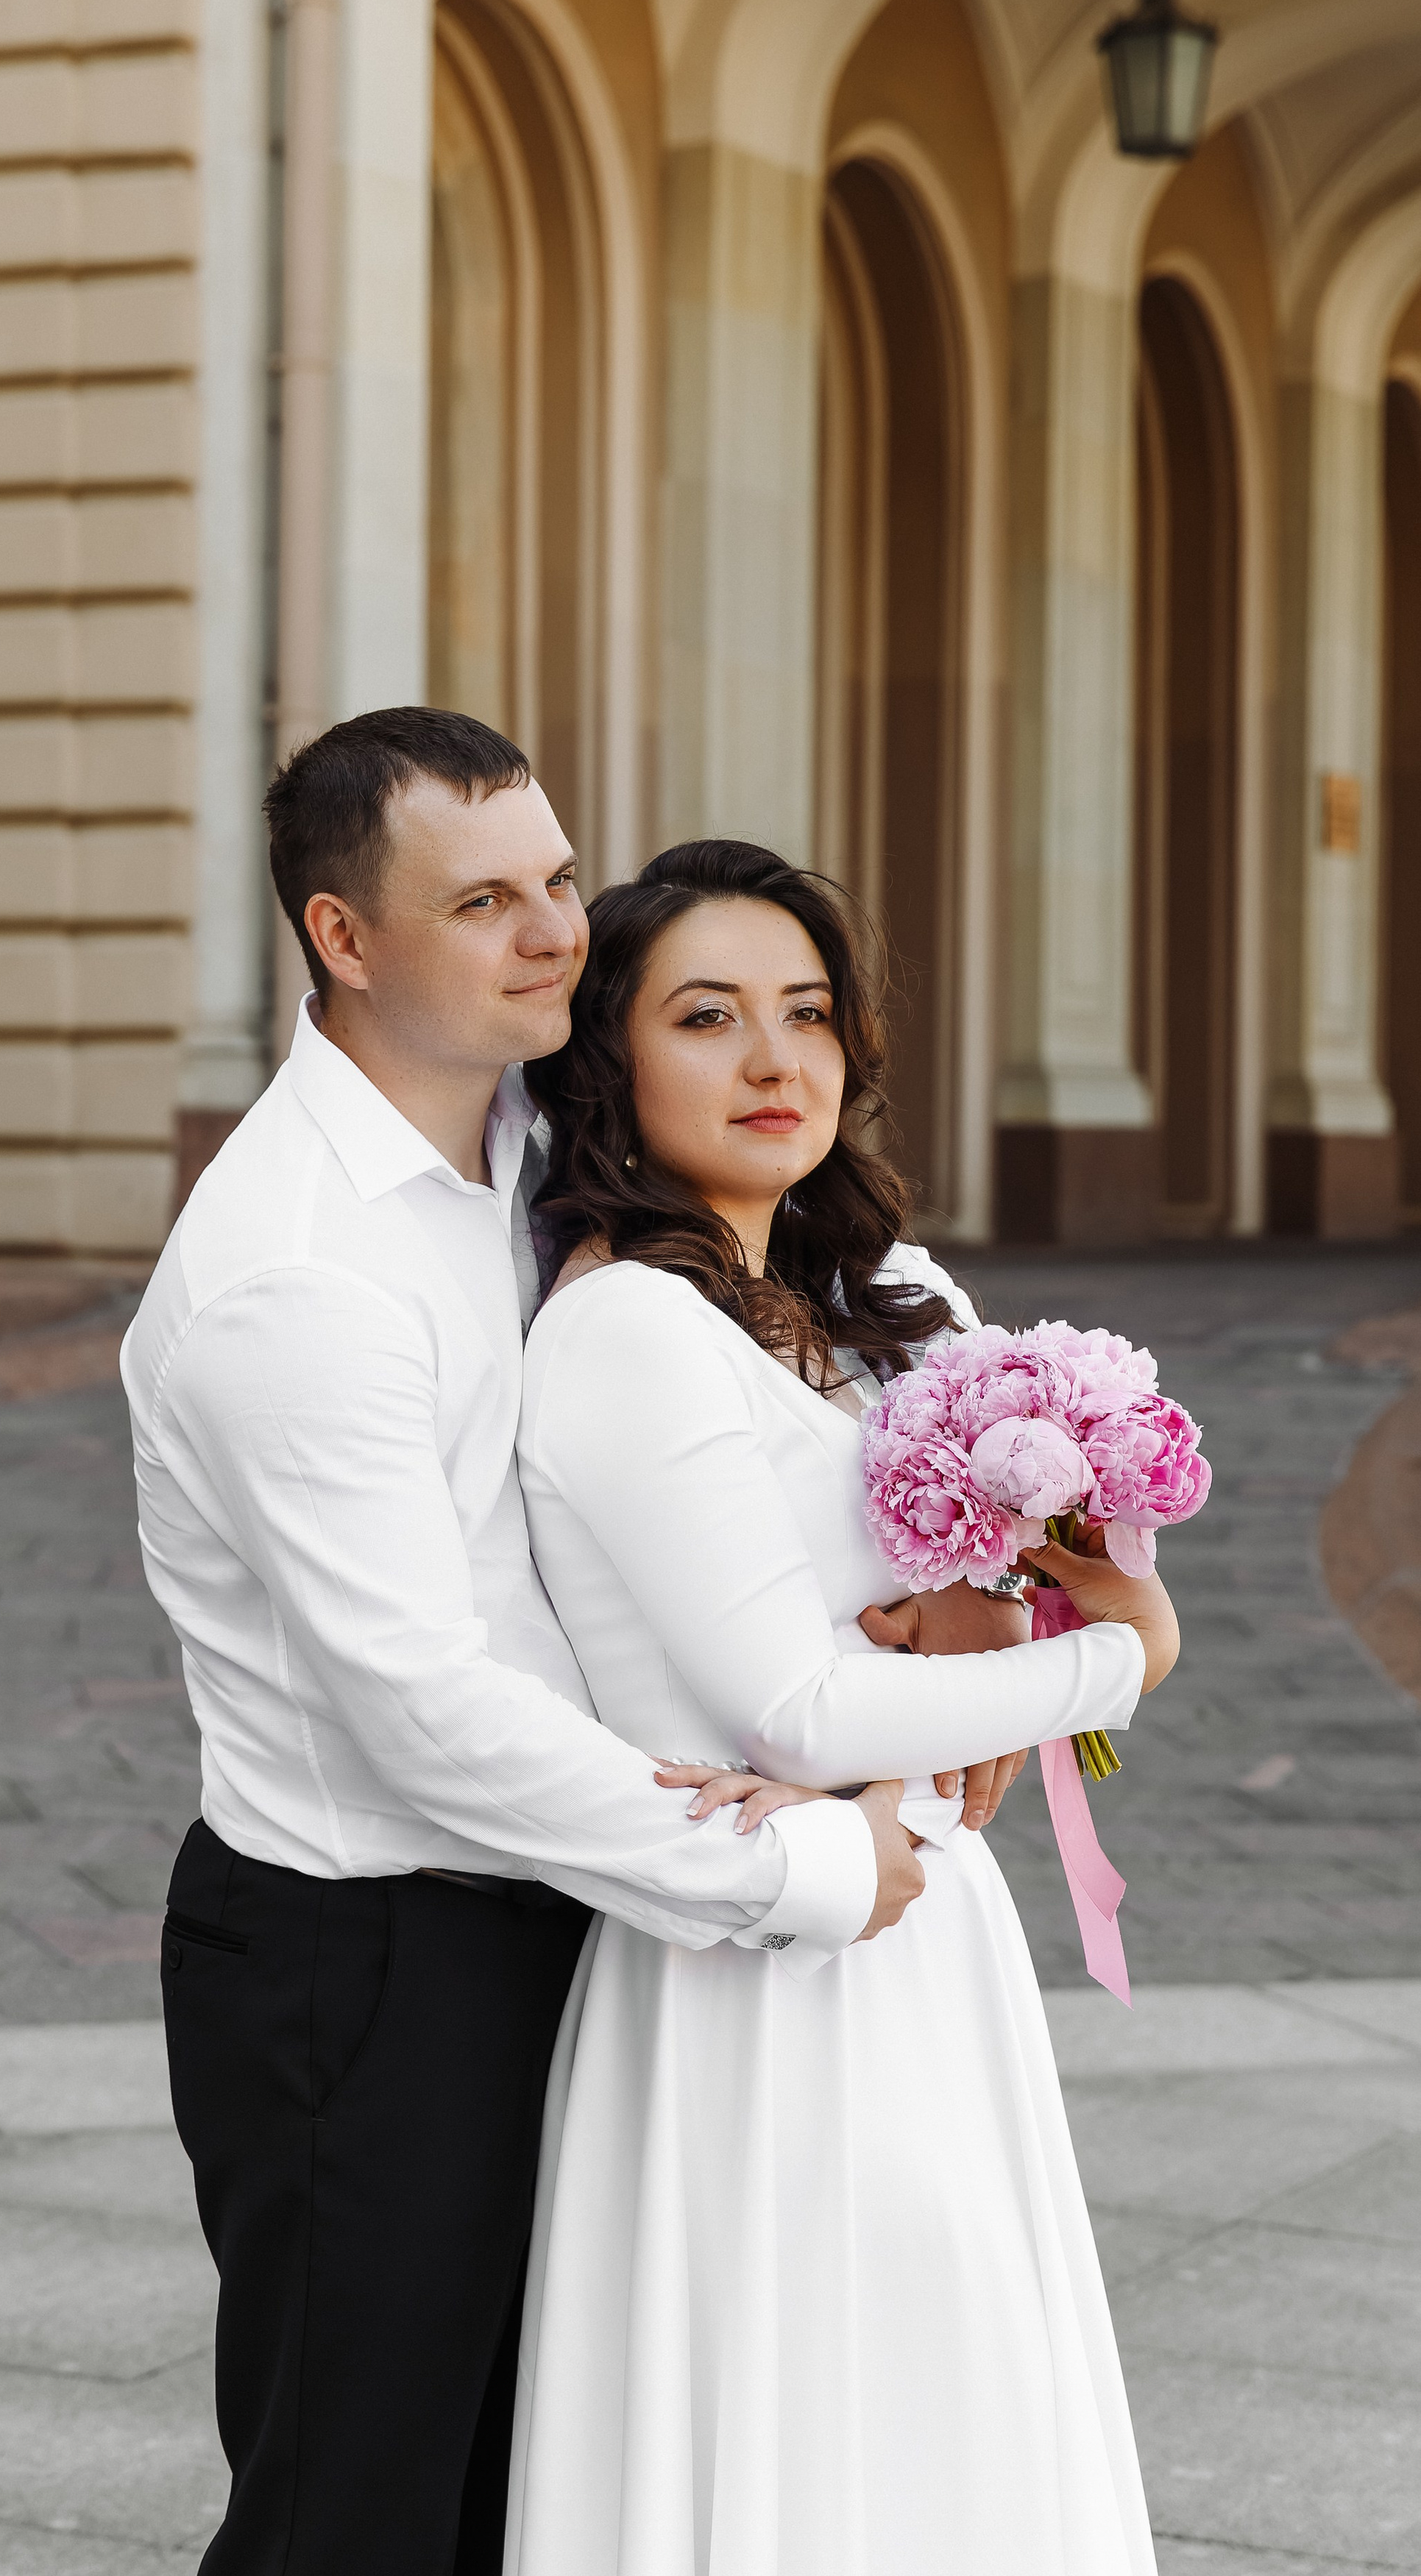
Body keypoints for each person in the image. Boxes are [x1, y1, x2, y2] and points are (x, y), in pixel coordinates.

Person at [122, 715, 939, 2576]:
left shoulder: (541, 1142)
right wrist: (805, 1865)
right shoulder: (293, 1272)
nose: (555, 930)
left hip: (582, 1909)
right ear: (342, 938)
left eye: (558, 880)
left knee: (543, 2504)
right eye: (481, 901)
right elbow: (422, 1713)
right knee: (357, 2516)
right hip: (371, 1966)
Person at [506, 837, 1180, 2576]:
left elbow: (985, 1611)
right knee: (799, 2440)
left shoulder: (893, 1304)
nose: (770, 1060)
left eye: (804, 1013)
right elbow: (797, 1714)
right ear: (608, 1056)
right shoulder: (627, 1330)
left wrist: (1007, 1632)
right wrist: (1122, 1659)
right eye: (705, 1016)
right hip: (758, 1963)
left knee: (956, 2423)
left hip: (932, 1935)